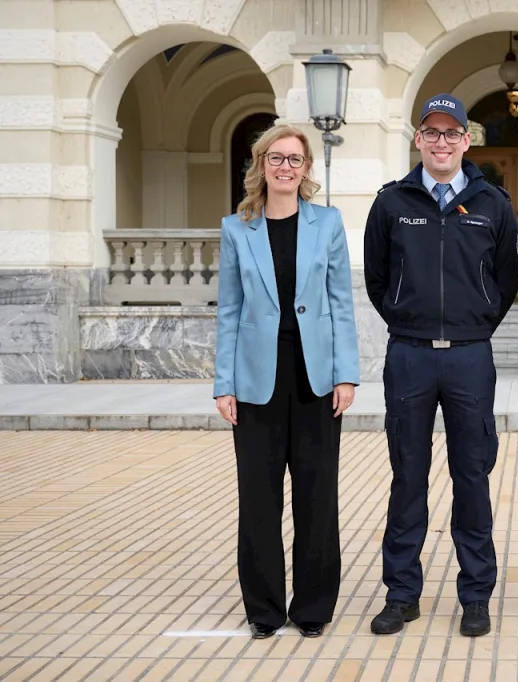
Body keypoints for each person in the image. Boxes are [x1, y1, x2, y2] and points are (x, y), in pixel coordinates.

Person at [363, 93, 518, 637]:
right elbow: (378, 280)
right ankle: (402, 593)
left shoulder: (492, 204)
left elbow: (503, 281)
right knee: (407, 476)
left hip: (469, 359)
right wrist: (409, 321)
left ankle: (475, 595)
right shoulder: (390, 202)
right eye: (432, 132)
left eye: (452, 133)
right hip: (408, 355)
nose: (442, 142)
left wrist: (473, 326)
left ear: (466, 141)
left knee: (471, 476)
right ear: (418, 140)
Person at [213, 123, 360, 640]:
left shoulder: (328, 223)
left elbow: (342, 302)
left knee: (318, 496)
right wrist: (223, 383)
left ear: (306, 170)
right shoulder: (237, 228)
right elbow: (229, 311)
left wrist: (347, 374)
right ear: (260, 165)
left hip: (317, 379)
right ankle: (264, 609)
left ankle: (313, 606)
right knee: (258, 497)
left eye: (295, 160)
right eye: (276, 158)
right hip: (256, 380)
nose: (285, 167)